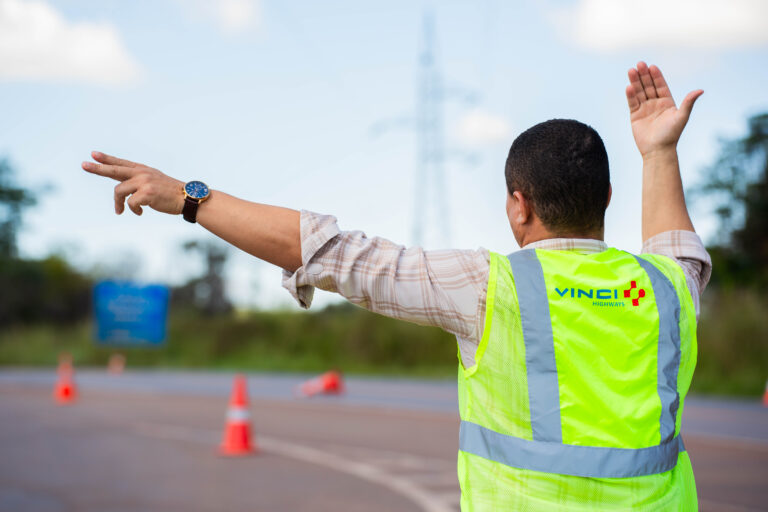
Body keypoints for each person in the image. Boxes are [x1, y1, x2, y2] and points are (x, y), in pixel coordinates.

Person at [82, 61, 710, 510]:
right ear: (605, 195)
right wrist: (659, 152)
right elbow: (677, 247)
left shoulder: (489, 286)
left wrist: (190, 199)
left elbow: (327, 251)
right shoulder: (668, 290)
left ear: (518, 206)